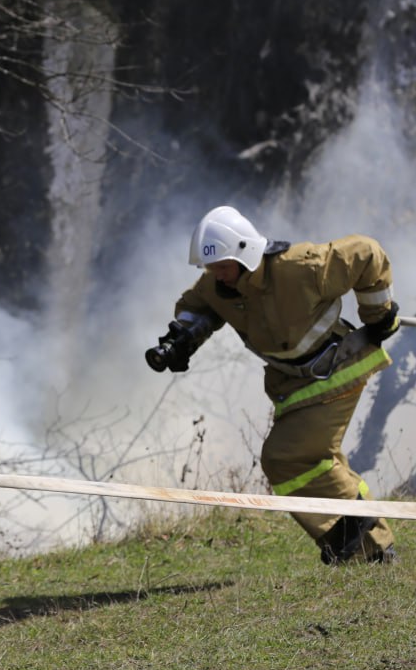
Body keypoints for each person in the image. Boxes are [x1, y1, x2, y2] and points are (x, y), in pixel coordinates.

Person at [146, 206, 400, 564]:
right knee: (318, 462)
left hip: (338, 368)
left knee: (287, 455)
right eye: (210, 268)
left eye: (223, 265)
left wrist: (377, 315)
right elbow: (198, 306)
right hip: (294, 384)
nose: (217, 275)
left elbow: (366, 253)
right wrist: (183, 338)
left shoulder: (301, 267)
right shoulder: (218, 286)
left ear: (245, 253)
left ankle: (357, 540)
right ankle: (368, 550)